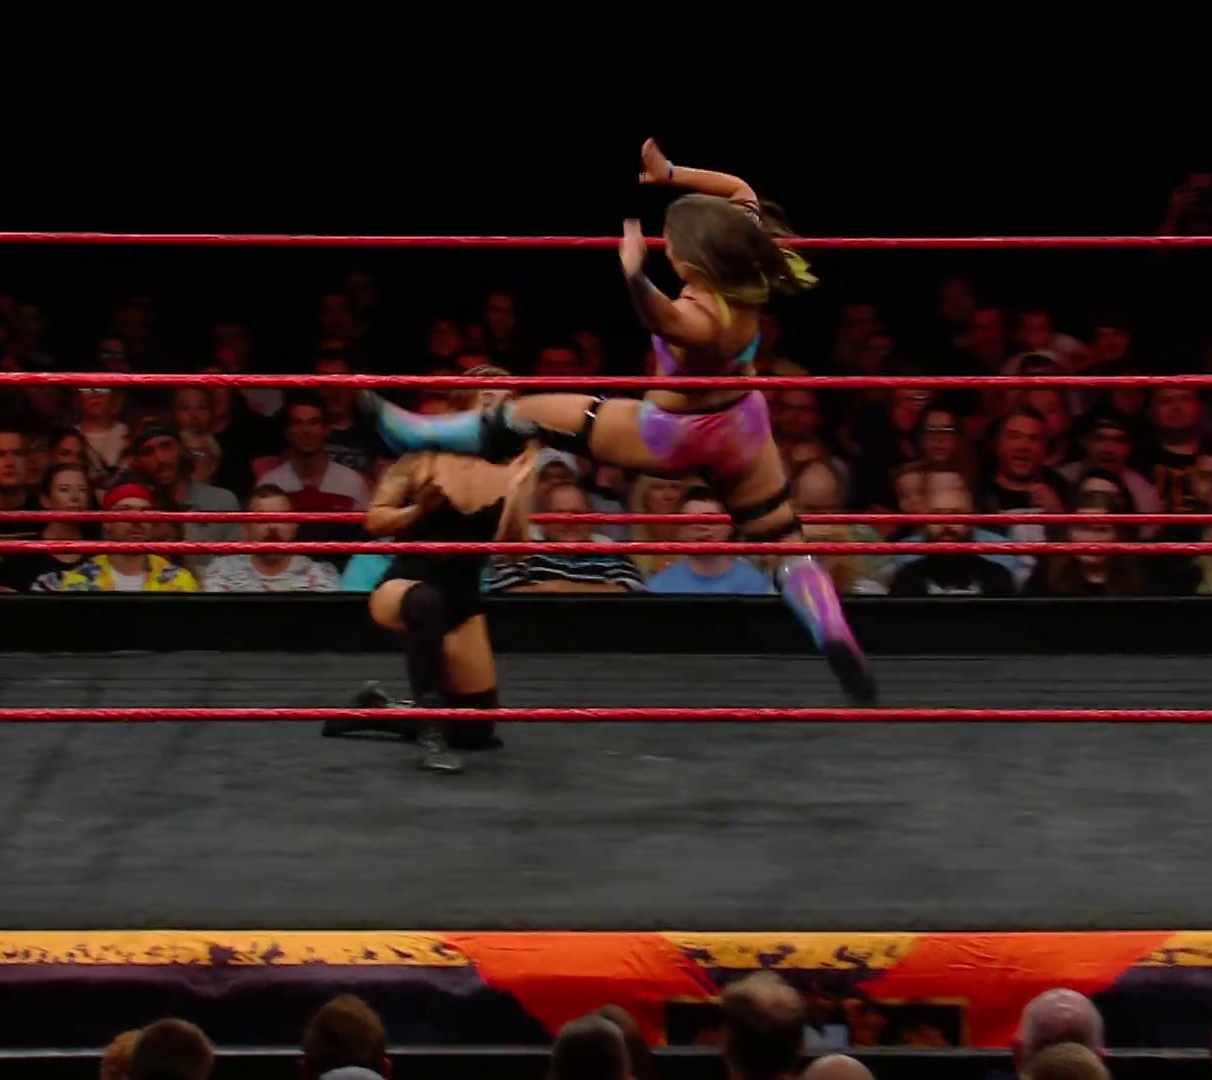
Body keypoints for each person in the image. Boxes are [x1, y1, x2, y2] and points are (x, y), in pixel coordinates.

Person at [361, 138, 877, 703]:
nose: (667, 249)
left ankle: (416, 431)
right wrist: (671, 172)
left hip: (673, 434)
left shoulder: (699, 316)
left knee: (531, 411)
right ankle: (831, 628)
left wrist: (635, 274)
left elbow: (663, 317)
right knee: (783, 541)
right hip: (743, 426)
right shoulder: (748, 268)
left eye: (672, 246)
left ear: (692, 262)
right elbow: (740, 188)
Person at [346, 422, 538, 773]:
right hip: (406, 584)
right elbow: (375, 519)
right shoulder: (422, 459)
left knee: (474, 732)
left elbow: (514, 552)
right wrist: (418, 509)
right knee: (427, 603)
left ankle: (378, 709)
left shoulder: (509, 470)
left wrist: (517, 489)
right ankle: (430, 735)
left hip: (461, 598)